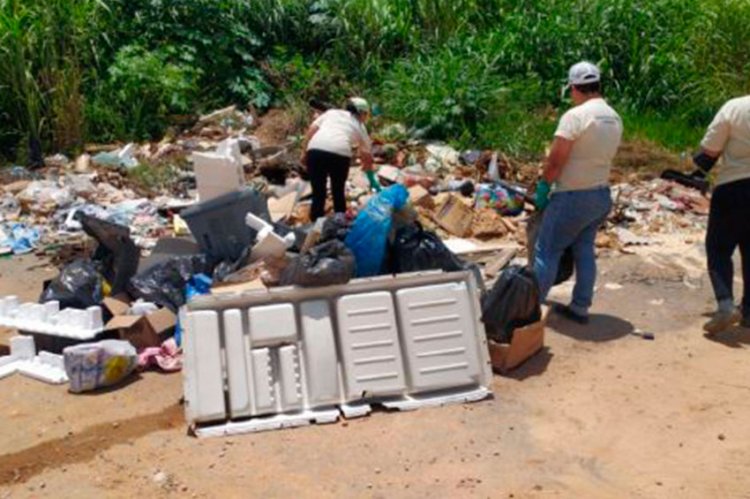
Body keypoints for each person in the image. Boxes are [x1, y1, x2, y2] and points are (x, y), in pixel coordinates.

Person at [532, 61, 623, 324]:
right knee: (584, 248)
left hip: (572, 196)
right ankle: (581, 306)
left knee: (546, 251)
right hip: (600, 195)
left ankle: (529, 311)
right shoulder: (614, 116)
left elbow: (556, 160)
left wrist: (543, 187)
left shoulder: (575, 116)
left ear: (574, 88)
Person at [691, 95, 750, 334]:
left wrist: (695, 168)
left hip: (734, 187)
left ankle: (725, 304)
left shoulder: (735, 107)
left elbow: (709, 152)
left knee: (718, 248)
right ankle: (748, 311)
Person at [301, 97, 374, 221]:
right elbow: (366, 155)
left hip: (315, 150)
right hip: (339, 154)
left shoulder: (331, 113)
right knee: (338, 191)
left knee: (318, 192)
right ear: (361, 112)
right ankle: (339, 222)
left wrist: (304, 153)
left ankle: (315, 227)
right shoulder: (360, 126)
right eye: (365, 114)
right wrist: (371, 176)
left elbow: (311, 130)